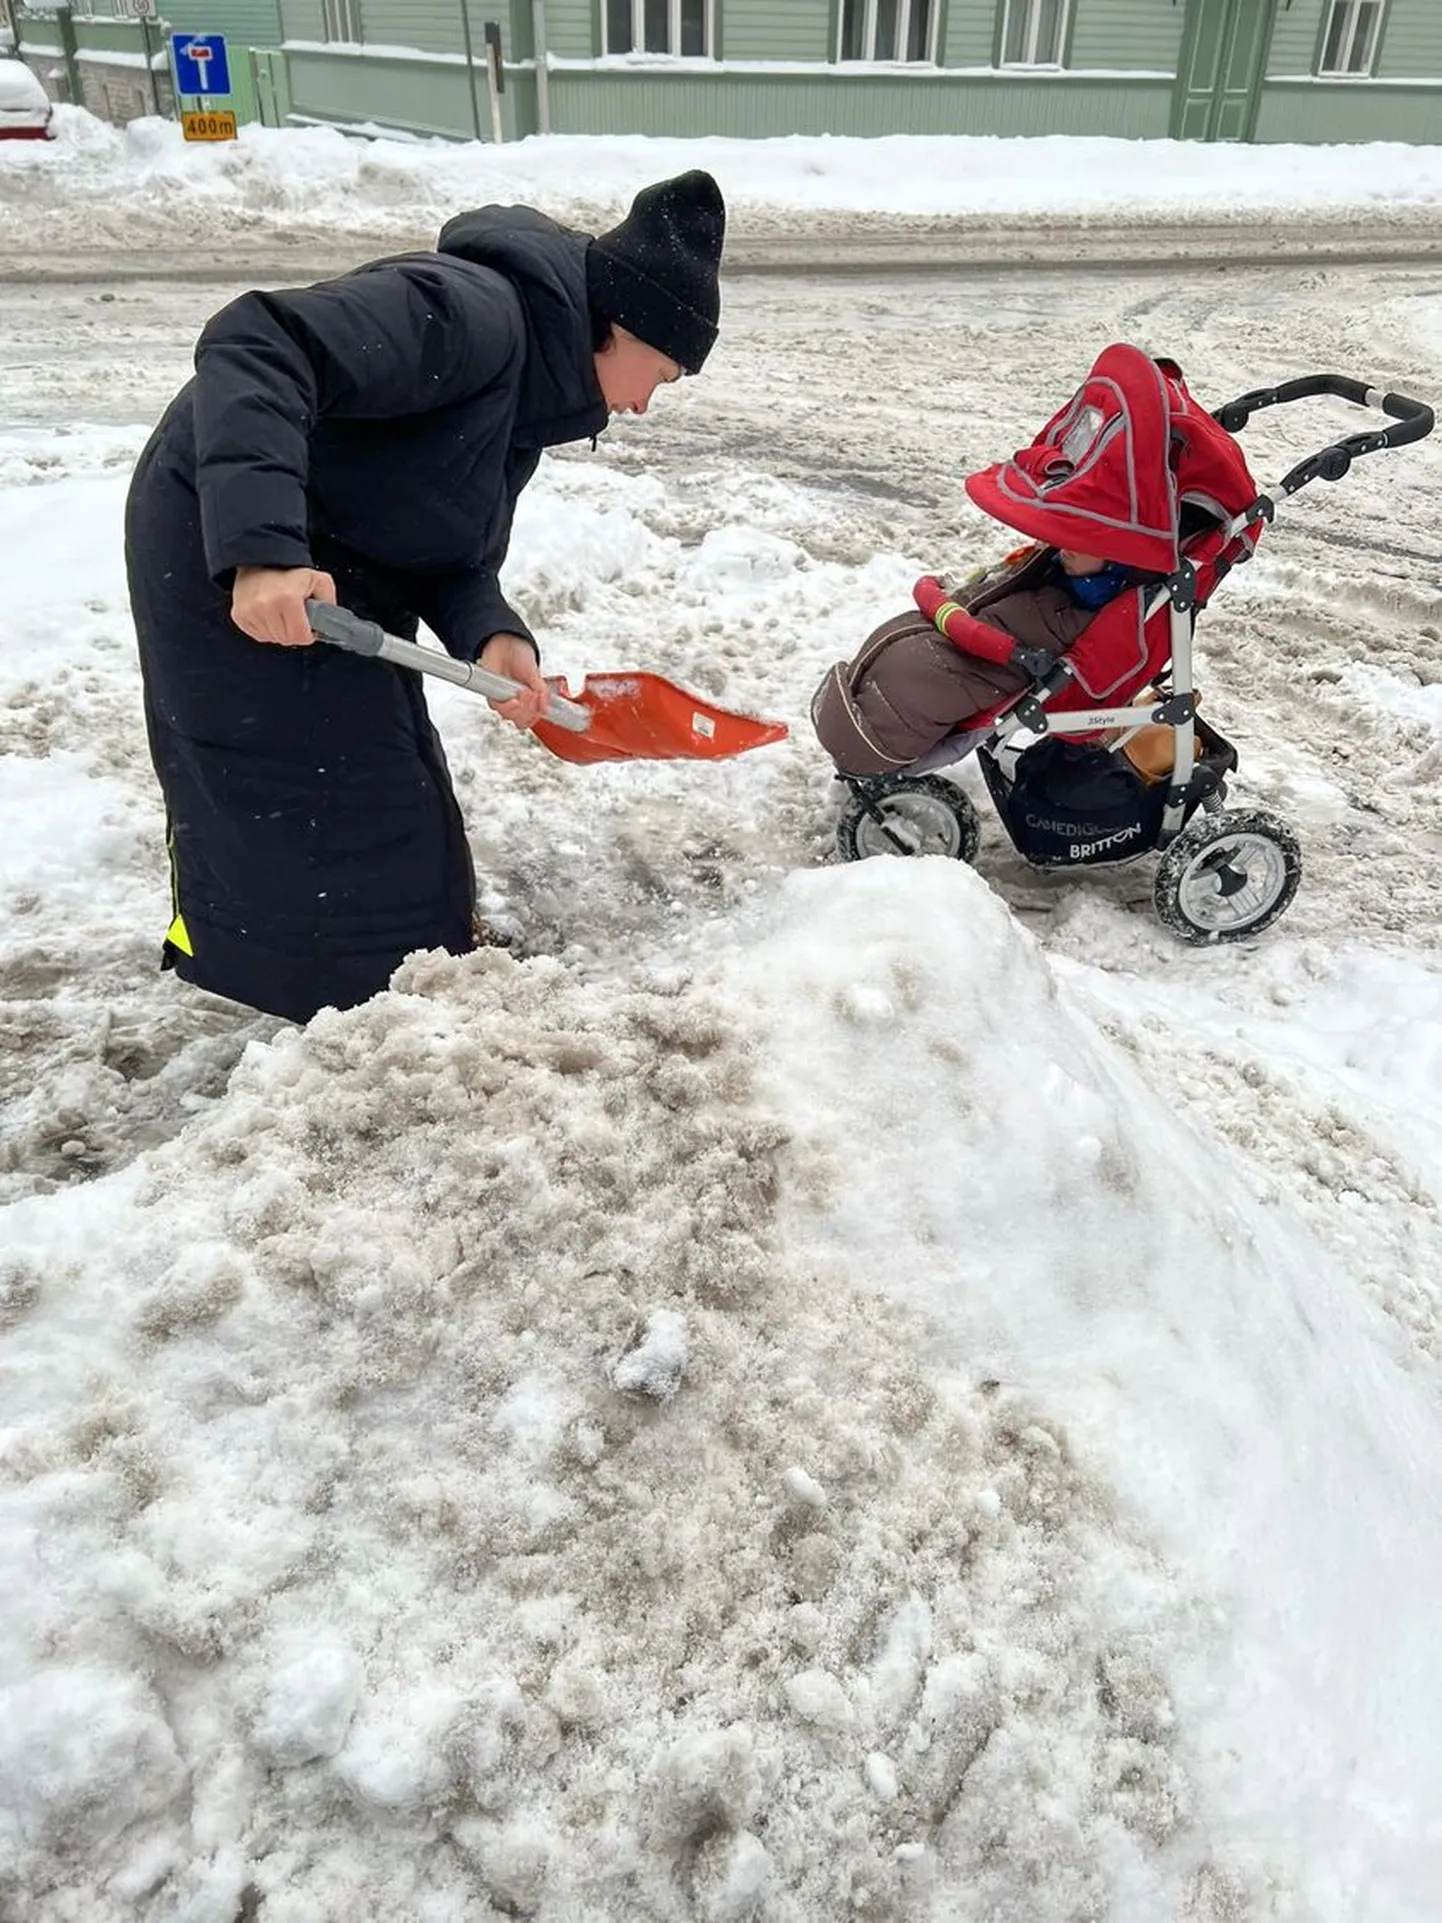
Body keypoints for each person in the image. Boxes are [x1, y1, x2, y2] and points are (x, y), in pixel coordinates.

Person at [125, 170, 726, 1024]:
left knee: (387, 767)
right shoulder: (471, 313)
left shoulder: (531, 397)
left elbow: (447, 543)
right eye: (659, 378)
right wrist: (260, 552)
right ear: (617, 327)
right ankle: (355, 1000)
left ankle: (398, 977)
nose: (641, 407)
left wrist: (491, 633)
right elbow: (258, 339)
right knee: (312, 774)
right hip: (222, 526)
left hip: (332, 543)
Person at [811, 543, 1135, 778]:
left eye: (1085, 541)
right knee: (914, 661)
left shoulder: (1084, 619)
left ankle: (878, 723)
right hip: (934, 648)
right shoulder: (1046, 572)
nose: (1068, 545)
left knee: (920, 674)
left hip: (953, 669)